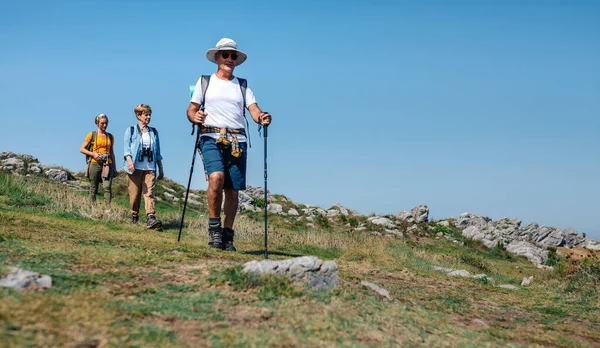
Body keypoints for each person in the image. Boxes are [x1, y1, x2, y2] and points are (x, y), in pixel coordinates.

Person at [186, 38, 272, 251]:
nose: (230, 59)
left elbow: (253, 109)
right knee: (216, 178)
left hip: (237, 141)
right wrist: (194, 117)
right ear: (217, 58)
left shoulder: (242, 85)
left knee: (233, 191)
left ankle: (227, 235)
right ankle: (214, 231)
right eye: (225, 55)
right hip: (210, 137)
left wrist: (262, 117)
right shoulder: (205, 82)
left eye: (233, 56)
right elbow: (191, 109)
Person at [123, 104, 164, 229]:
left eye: (149, 114)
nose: (148, 117)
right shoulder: (131, 130)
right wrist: (129, 161)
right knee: (135, 195)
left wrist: (161, 168)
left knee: (149, 193)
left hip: (150, 167)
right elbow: (126, 149)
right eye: (146, 114)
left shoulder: (154, 132)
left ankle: (151, 217)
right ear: (138, 115)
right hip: (135, 167)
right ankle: (134, 216)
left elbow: (158, 152)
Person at [79, 113, 117, 207]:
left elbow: (112, 153)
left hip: (107, 164)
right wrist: (93, 154)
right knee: (93, 187)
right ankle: (93, 207)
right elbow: (82, 149)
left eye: (106, 123)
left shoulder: (110, 137)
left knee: (107, 187)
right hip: (94, 163)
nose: (104, 125)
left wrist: (115, 168)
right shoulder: (91, 135)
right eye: (102, 123)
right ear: (97, 123)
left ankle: (108, 209)